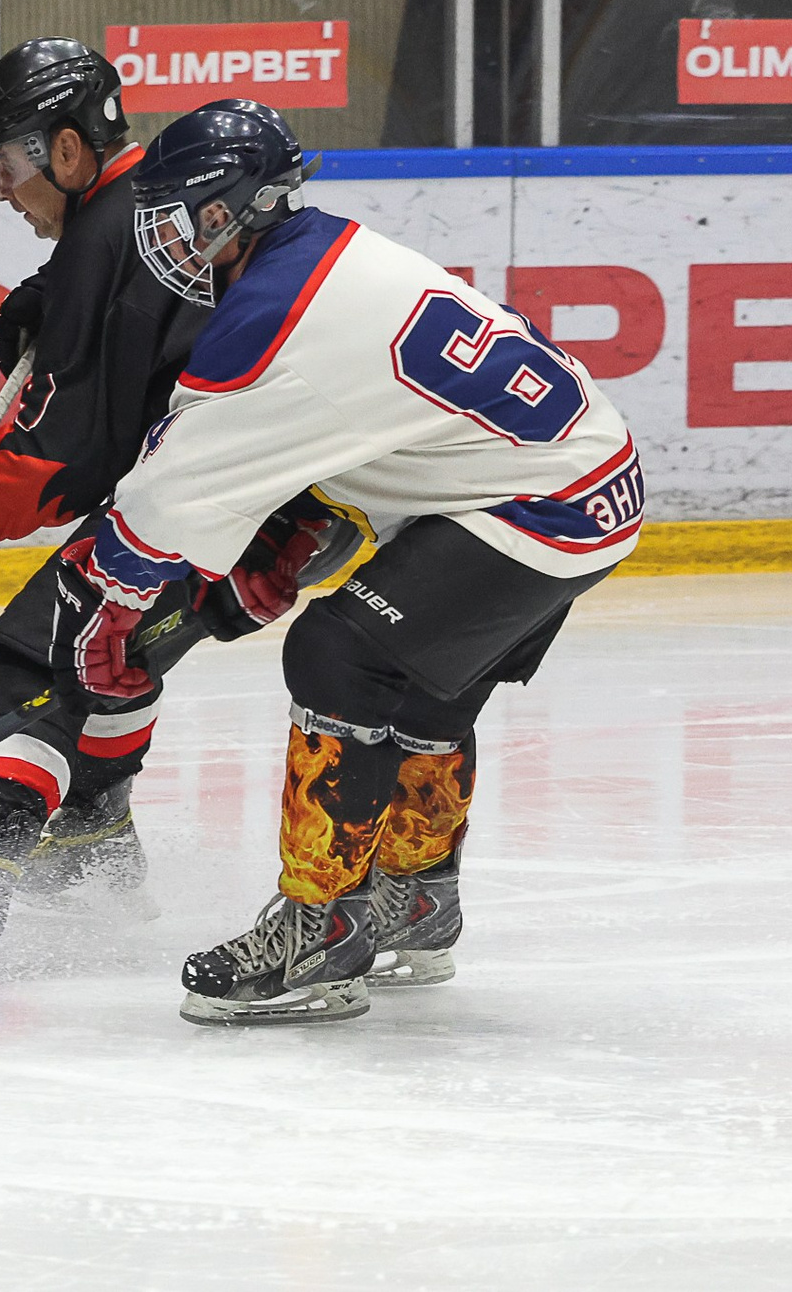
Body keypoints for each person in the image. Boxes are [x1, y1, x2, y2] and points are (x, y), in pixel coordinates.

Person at [50, 101, 644, 1024]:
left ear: (223, 211)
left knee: (337, 652)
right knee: (429, 690)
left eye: (173, 210)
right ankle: (413, 898)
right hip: (586, 475)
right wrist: (304, 523)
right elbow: (385, 416)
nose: (160, 233)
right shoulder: (329, 248)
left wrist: (114, 605)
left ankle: (319, 929)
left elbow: (173, 491)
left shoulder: (271, 317)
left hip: (540, 504)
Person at [0, 40, 358, 981]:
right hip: (285, 512)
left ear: (69, 151)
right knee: (115, 648)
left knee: (47, 646)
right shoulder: (141, 212)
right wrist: (53, 297)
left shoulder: (111, 235)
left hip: (244, 508)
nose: (1, 188)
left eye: (9, 161)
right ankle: (89, 845)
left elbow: (65, 458)